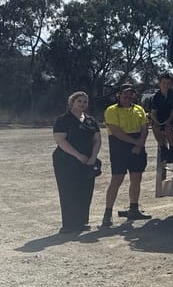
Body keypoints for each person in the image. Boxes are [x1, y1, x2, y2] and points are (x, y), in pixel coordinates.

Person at [52, 91, 102, 233]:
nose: (82, 104)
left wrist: (93, 157)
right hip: (66, 161)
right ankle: (69, 224)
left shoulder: (90, 120)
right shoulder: (63, 120)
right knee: (68, 191)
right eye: (79, 101)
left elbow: (97, 139)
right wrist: (77, 155)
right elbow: (60, 140)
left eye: (85, 102)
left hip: (87, 161)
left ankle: (81, 222)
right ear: (72, 102)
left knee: (85, 191)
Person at [102, 84, 151, 228]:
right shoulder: (111, 110)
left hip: (138, 145)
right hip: (119, 146)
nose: (128, 98)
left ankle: (133, 208)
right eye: (125, 95)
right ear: (119, 95)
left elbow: (144, 127)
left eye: (130, 95)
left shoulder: (139, 109)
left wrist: (140, 143)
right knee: (117, 179)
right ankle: (107, 213)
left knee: (136, 178)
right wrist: (135, 142)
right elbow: (116, 131)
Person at [147, 73, 173, 164]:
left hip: (171, 119)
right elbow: (153, 113)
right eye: (164, 83)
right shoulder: (155, 97)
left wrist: (168, 121)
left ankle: (172, 149)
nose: (166, 85)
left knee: (168, 127)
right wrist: (157, 122)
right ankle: (163, 149)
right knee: (155, 126)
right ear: (160, 84)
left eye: (168, 83)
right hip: (159, 118)